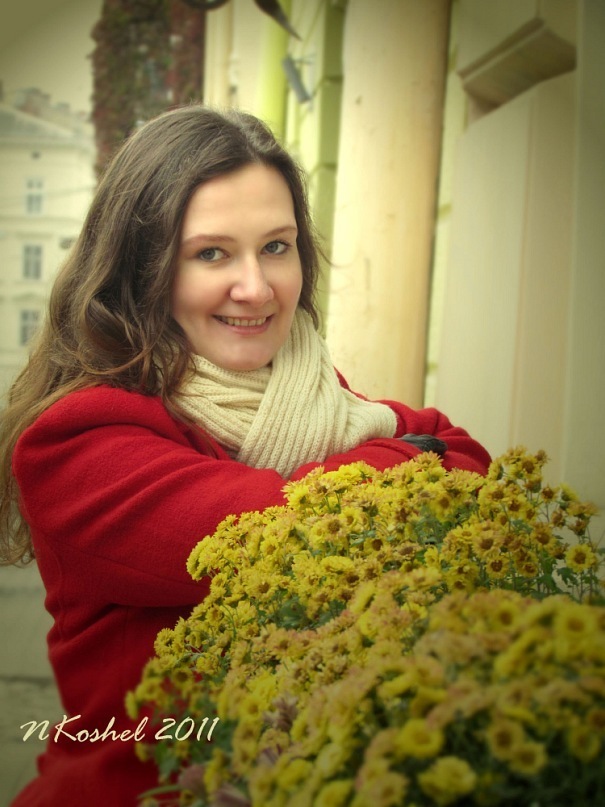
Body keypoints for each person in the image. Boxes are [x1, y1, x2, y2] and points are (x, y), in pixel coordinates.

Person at [0, 105, 490, 807]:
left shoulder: (308, 392)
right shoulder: (78, 440)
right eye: (211, 253)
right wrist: (411, 455)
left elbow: (468, 456)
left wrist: (411, 455)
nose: (256, 287)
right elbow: (281, 533)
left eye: (277, 246)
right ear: (142, 268)